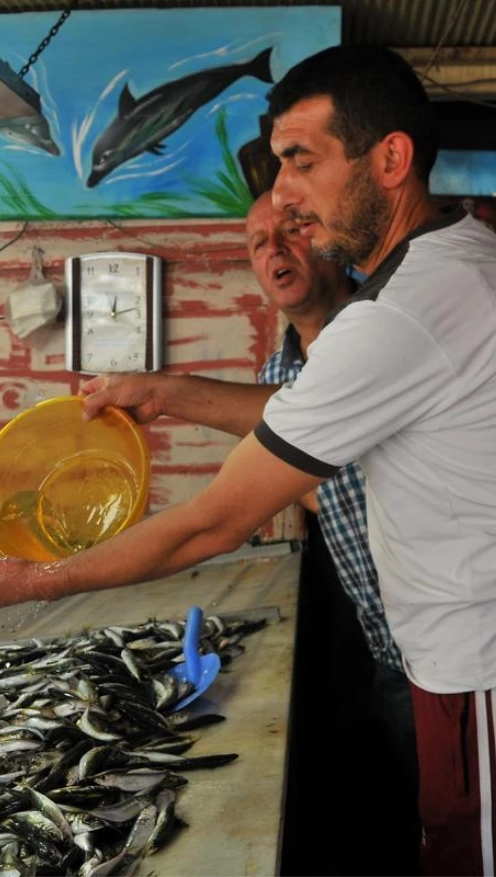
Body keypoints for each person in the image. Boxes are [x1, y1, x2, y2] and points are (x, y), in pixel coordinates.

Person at [0, 45, 496, 877]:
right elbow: (306, 415)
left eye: (301, 162)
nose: (287, 193)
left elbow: (215, 521)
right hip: (492, 665)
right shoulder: (454, 266)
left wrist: (38, 582)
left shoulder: (406, 311)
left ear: (391, 158)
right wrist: (169, 392)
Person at [69, 191, 421, 872]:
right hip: (383, 640)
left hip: (446, 646)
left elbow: (228, 516)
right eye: (258, 243)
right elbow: (311, 484)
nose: (274, 252)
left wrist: (165, 395)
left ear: (329, 239)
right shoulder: (277, 373)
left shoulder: (383, 335)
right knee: (403, 817)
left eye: (291, 230)